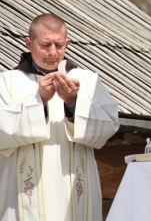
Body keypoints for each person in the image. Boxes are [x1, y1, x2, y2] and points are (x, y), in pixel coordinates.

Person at [0, 13, 119, 221]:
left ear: (68, 43)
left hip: (74, 199)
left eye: (59, 45)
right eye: (45, 45)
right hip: (22, 197)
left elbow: (109, 125)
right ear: (29, 43)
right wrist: (39, 101)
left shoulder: (87, 81)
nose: (53, 52)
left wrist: (73, 103)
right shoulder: (6, 83)